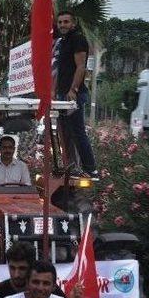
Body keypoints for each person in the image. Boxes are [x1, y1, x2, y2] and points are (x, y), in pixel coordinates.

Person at [55, 11, 98, 180]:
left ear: (73, 24)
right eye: (60, 22)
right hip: (62, 95)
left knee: (77, 132)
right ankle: (71, 166)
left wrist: (73, 90)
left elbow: (81, 67)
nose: (62, 25)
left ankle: (90, 168)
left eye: (66, 22)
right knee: (65, 132)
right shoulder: (63, 42)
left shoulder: (78, 39)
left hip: (73, 96)